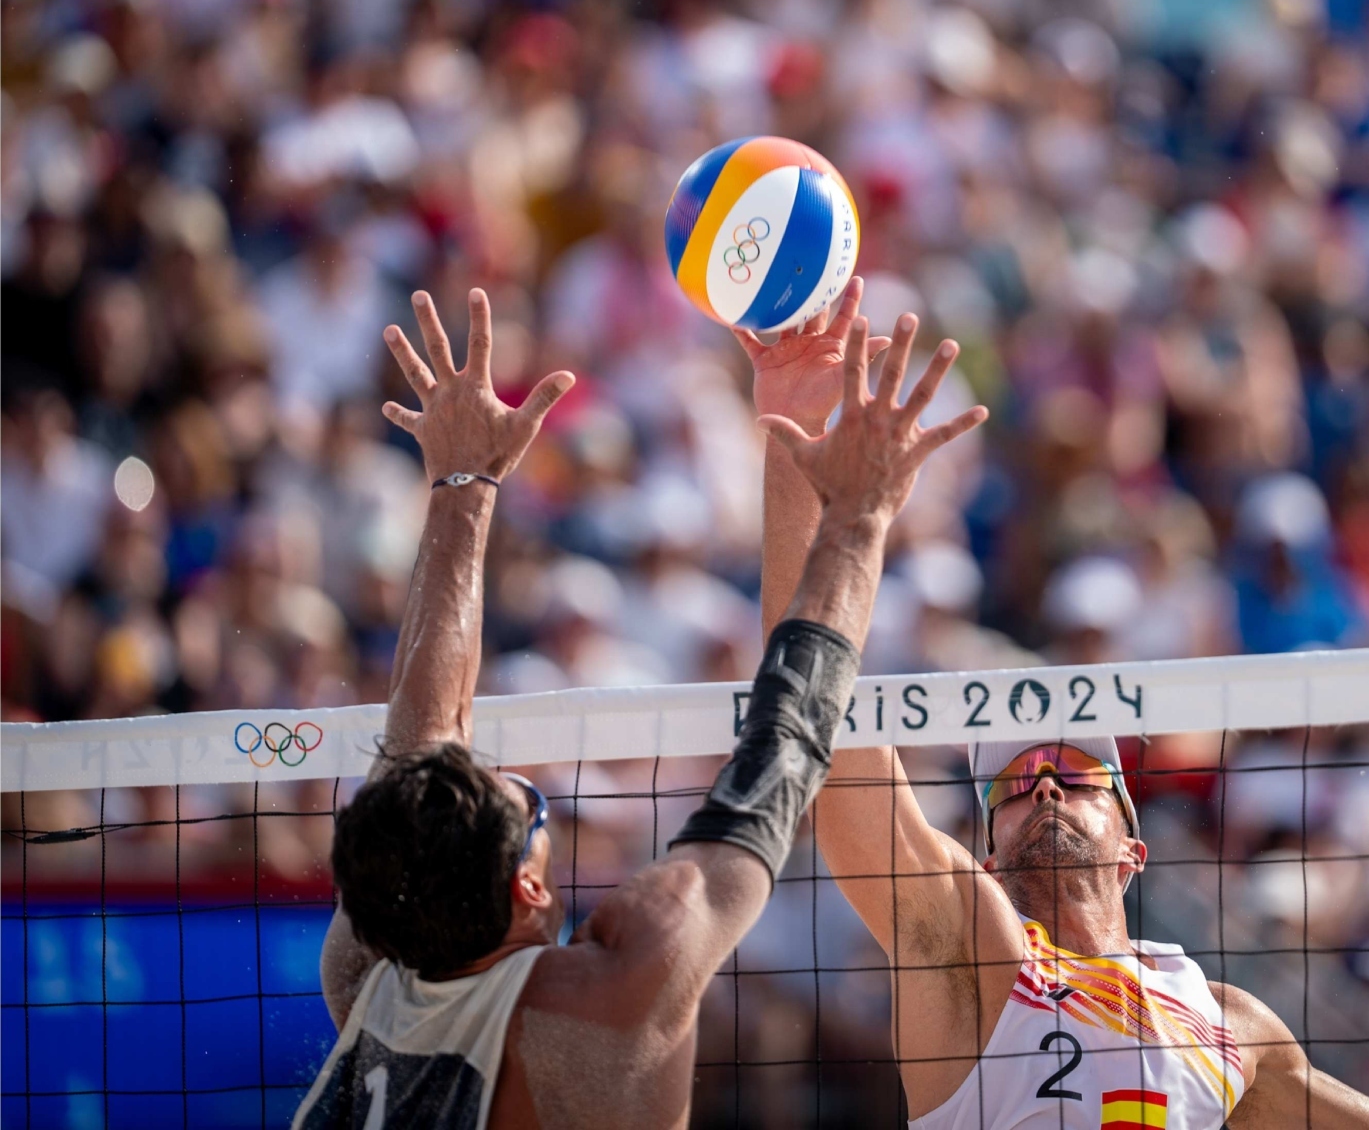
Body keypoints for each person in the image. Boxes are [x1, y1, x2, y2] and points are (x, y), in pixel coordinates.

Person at [295, 284, 983, 1128]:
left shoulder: (365, 973)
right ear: (527, 887)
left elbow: (418, 734)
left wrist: (463, 481)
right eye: (534, 808)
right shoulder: (613, 989)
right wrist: (861, 514)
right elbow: (790, 738)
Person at [745, 311, 1369, 1127]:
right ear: (988, 860)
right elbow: (817, 710)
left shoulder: (1231, 1026)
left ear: (1135, 848)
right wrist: (794, 445)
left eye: (1075, 772)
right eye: (1015, 784)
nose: (1045, 785)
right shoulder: (968, 952)